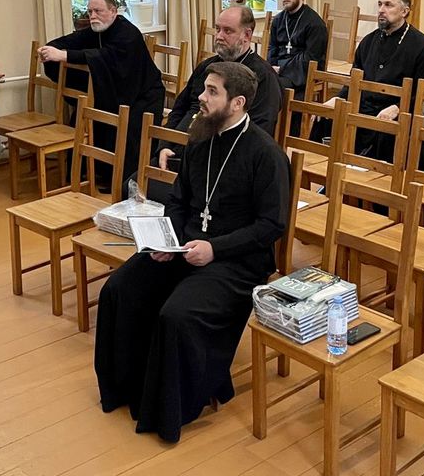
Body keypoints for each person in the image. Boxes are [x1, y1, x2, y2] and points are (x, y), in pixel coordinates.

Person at [94, 62, 289, 443]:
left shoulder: (266, 154)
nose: (201, 97)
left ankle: (166, 409)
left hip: (236, 261)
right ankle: (125, 386)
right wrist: (169, 241)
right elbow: (179, 200)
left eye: (212, 91)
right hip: (185, 245)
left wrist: (215, 248)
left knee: (176, 315)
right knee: (119, 288)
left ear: (237, 103)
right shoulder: (200, 138)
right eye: (204, 88)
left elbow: (270, 226)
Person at [40, 0, 165, 184]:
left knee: (128, 126)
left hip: (143, 95)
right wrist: (50, 48)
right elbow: (72, 40)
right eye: (90, 12)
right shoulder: (97, 30)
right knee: (86, 112)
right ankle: (92, 172)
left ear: (113, 11)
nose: (93, 16)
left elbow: (106, 56)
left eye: (98, 11)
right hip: (116, 92)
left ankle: (123, 181)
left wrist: (64, 55)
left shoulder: (128, 33)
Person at [319, 0, 424, 158]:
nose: (381, 10)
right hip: (363, 107)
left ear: (404, 11)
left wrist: (398, 108)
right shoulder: (368, 41)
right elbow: (354, 79)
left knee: (385, 132)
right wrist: (338, 98)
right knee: (323, 118)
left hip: (397, 112)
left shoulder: (422, 47)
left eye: (388, 5)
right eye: (380, 4)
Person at [159, 5, 280, 171]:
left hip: (216, 161)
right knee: (132, 183)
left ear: (247, 35)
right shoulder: (207, 66)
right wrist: (165, 145)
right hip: (175, 153)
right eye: (217, 29)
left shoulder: (263, 76)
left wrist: (197, 156)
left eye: (227, 31)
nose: (219, 36)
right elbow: (179, 109)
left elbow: (258, 131)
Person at [265, 0, 328, 99]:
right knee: (254, 82)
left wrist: (282, 68)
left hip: (301, 73)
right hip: (279, 70)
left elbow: (310, 58)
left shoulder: (315, 23)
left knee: (270, 87)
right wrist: (272, 67)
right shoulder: (278, 20)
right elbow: (272, 48)